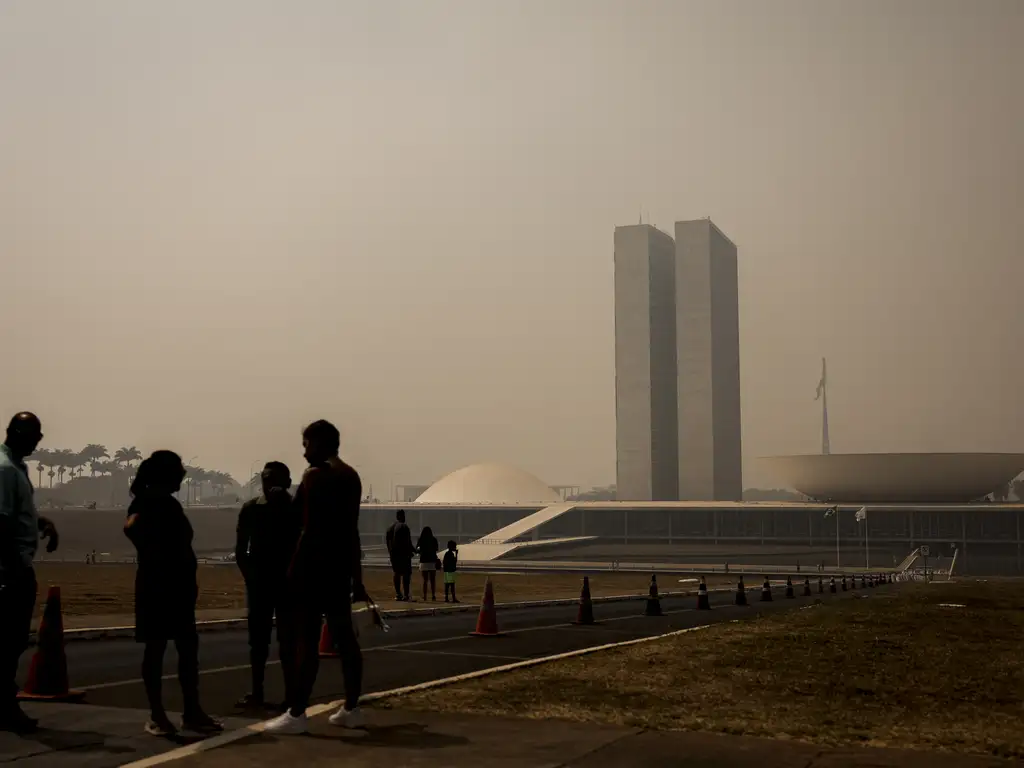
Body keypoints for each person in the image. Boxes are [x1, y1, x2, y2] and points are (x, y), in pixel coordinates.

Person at [265, 419, 365, 735]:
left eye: (306, 443)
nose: (304, 451)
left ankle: (297, 713)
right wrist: (357, 576)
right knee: (345, 638)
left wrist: (278, 496)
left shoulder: (314, 476)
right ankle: (351, 706)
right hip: (338, 568)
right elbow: (351, 529)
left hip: (311, 569)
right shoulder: (351, 476)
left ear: (320, 443)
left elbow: (299, 521)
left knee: (305, 642)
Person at [123, 451, 222, 737]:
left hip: (176, 586)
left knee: (185, 649)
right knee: (158, 649)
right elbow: (131, 527)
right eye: (179, 470)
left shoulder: (167, 503)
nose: (183, 474)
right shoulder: (150, 501)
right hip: (158, 586)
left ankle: (191, 711)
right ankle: (158, 714)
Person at [0, 413, 58, 734]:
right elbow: (2, 522)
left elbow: (14, 515)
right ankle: (5, 706)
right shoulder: (6, 471)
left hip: (14, 566)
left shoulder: (16, 468)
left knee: (12, 641)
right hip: (11, 570)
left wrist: (40, 523)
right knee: (8, 641)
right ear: (19, 433)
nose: (38, 440)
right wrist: (11, 571)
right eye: (35, 434)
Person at [234, 461, 298, 709]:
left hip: (288, 583)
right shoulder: (251, 510)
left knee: (288, 641)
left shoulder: (295, 509)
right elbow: (241, 549)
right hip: (260, 582)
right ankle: (257, 691)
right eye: (265, 479)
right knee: (258, 642)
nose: (268, 484)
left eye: (273, 479)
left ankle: (291, 694)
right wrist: (250, 576)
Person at [385, 509, 413, 601]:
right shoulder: (404, 527)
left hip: (394, 555)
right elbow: (407, 542)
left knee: (396, 573)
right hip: (404, 555)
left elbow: (387, 543)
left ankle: (398, 594)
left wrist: (391, 553)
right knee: (406, 575)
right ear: (400, 516)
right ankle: (406, 595)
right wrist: (412, 551)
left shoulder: (390, 528)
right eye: (403, 515)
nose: (405, 517)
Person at [416, 526, 439, 602]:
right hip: (432, 561)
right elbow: (436, 549)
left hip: (424, 561)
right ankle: (433, 595)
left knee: (425, 580)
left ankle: (425, 596)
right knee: (433, 580)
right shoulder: (434, 540)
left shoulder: (421, 540)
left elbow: (418, 550)